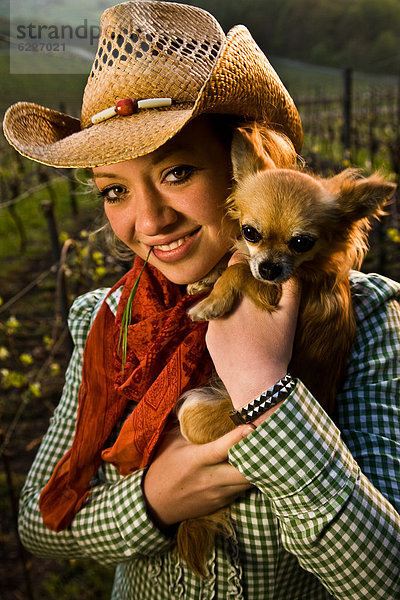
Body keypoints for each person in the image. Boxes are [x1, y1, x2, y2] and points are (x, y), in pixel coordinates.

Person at [3, 2, 400, 599]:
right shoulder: (109, 319)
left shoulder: (363, 315)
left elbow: (384, 577)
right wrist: (156, 500)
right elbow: (39, 522)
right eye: (115, 191)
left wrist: (265, 390)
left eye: (178, 173)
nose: (150, 221)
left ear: (245, 168)